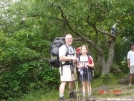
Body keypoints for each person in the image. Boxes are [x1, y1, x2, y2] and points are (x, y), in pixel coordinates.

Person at [59, 34, 76, 101]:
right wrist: (71, 58)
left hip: (72, 66)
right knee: (64, 82)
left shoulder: (72, 48)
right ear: (65, 40)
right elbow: (61, 58)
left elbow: (74, 57)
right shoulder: (63, 47)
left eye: (71, 38)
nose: (69, 40)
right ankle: (61, 97)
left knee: (72, 80)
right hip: (64, 66)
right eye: (68, 38)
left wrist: (74, 60)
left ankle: (71, 94)